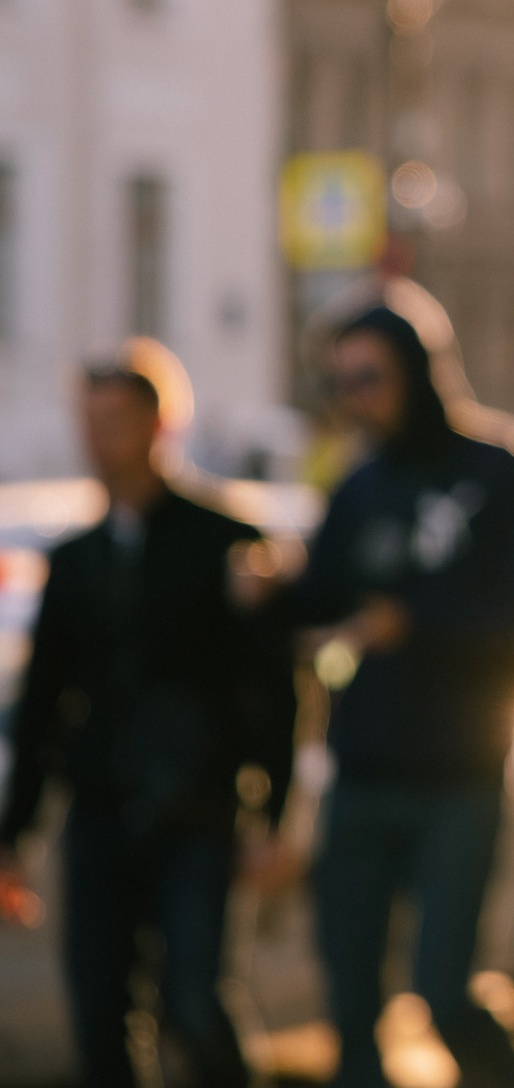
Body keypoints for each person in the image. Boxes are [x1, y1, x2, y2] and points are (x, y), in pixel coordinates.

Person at [0, 345, 298, 1088]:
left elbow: (275, 687)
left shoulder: (224, 540)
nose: (100, 438)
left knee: (192, 1005)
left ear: (160, 424)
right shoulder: (76, 559)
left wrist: (275, 815)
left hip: (196, 810)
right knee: (101, 1015)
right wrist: (14, 835)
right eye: (89, 421)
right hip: (99, 810)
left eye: (116, 420)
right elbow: (43, 702)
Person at [273, 305, 514, 1088]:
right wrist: (269, 583)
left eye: (371, 377)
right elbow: (320, 596)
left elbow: (511, 612)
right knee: (351, 1006)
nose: (357, 396)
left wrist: (411, 622)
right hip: (362, 766)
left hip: (460, 770)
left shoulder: (496, 469)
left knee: (443, 996)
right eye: (342, 380)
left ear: (418, 374)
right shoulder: (358, 483)